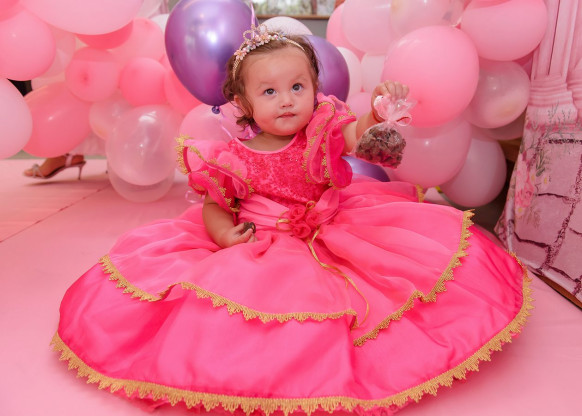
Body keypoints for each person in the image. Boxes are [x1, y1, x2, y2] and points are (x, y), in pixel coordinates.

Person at [52, 25, 531, 415]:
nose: (286, 100)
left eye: (297, 87)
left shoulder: (322, 129)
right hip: (266, 240)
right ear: (244, 105)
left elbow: (359, 135)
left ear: (315, 91)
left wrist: (379, 110)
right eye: (270, 91)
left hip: (338, 224)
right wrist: (224, 234)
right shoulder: (232, 157)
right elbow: (216, 204)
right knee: (255, 306)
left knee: (387, 284)